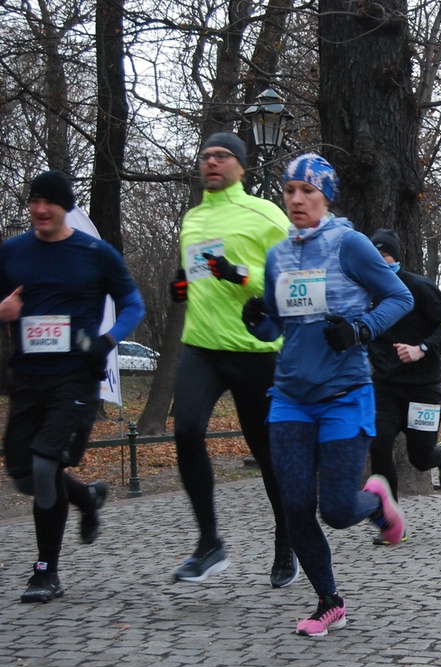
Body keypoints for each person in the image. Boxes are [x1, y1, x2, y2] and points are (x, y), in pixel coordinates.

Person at [241, 153, 413, 636]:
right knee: (294, 506)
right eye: (289, 191)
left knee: (335, 510)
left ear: (326, 197)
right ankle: (329, 600)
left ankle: (376, 501)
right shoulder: (278, 255)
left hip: (344, 393)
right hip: (290, 397)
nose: (296, 200)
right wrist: (259, 321)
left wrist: (360, 329)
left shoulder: (349, 245)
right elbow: (279, 324)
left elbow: (400, 297)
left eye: (307, 192)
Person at [0, 170, 145, 603]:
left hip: (76, 376)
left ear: (66, 207)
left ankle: (46, 571)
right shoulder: (12, 252)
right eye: (34, 201)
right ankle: (86, 498)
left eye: (49, 202)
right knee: (24, 475)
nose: (40, 209)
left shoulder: (95, 253)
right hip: (27, 377)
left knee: (45, 467)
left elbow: (133, 304)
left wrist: (107, 340)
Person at [169, 132, 294, 586]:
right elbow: (197, 275)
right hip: (202, 344)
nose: (212, 162)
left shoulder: (265, 214)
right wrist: (181, 285)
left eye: (222, 156)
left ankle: (287, 540)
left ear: (241, 166)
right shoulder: (193, 219)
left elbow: (290, 277)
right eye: (206, 156)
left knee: (268, 455)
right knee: (186, 429)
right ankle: (209, 544)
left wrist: (238, 274)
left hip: (254, 350)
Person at [367, 228, 441, 543]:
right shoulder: (366, 291)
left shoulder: (419, 286)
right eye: (374, 255)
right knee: (379, 444)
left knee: (420, 459)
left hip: (423, 389)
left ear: (395, 257)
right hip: (385, 386)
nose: (379, 261)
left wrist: (422, 348)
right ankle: (391, 523)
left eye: (384, 255)